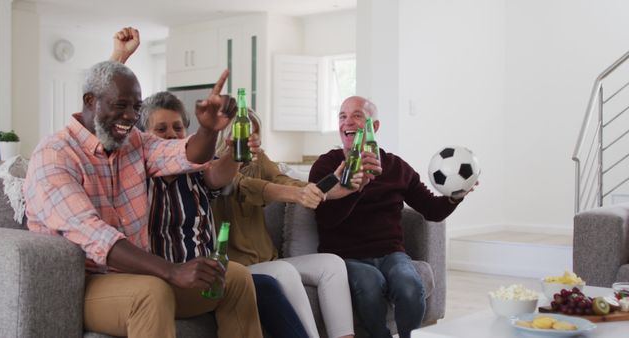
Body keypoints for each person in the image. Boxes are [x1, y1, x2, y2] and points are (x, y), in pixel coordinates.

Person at [23, 46, 262, 338]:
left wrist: (208, 130)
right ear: (90, 101)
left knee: (233, 277)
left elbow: (184, 154)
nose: (130, 116)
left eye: (136, 107)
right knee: (151, 292)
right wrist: (173, 271)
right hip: (81, 285)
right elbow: (95, 235)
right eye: (120, 105)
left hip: (136, 278)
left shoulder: (133, 142)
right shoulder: (54, 155)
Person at [139, 90, 310, 338]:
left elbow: (218, 176)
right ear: (144, 136)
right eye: (161, 129)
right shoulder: (136, 178)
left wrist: (233, 153)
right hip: (160, 281)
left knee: (259, 285)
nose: (171, 135)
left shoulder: (196, 171)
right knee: (253, 281)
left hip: (203, 280)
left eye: (177, 127)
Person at [309, 96, 474, 338]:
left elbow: (431, 210)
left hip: (391, 253)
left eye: (357, 116)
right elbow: (326, 219)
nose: (348, 122)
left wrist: (456, 195)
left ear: (374, 127)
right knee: (370, 284)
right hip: (346, 256)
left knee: (409, 285)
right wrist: (357, 187)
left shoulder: (397, 167)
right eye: (342, 116)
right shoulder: (326, 166)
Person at [212, 109, 356, 338]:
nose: (253, 141)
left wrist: (330, 186)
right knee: (284, 270)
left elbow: (284, 180)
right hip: (238, 266)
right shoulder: (214, 169)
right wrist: (294, 195)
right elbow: (250, 187)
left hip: (268, 260)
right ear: (229, 138)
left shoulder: (260, 161)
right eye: (246, 136)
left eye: (255, 134)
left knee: (332, 264)